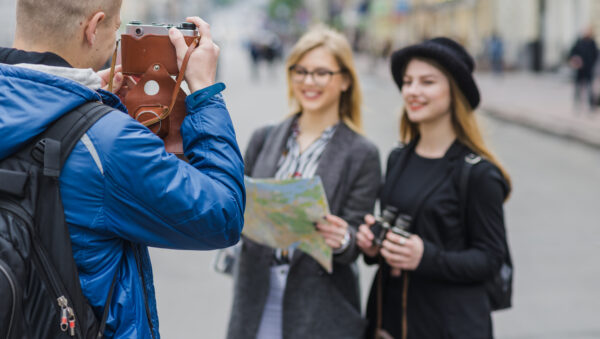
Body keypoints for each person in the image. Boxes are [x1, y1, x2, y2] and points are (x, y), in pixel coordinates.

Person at [0, 0, 245, 337]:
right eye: (116, 28)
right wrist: (205, 93)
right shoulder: (108, 140)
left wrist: (84, 100)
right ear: (93, 27)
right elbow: (222, 214)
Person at [227, 26, 381, 339]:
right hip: (257, 295)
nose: (308, 81)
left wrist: (343, 239)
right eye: (301, 71)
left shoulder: (362, 153)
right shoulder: (265, 138)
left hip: (321, 305)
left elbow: (353, 237)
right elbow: (236, 205)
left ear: (345, 80)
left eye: (321, 73)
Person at [356, 37, 512, 339]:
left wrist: (426, 257)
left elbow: (491, 259)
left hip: (449, 325)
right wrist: (374, 245)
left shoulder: (478, 174)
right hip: (388, 319)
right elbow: (400, 230)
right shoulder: (399, 157)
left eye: (427, 82)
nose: (413, 91)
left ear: (455, 91)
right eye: (408, 82)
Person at [569, 27, 598, 110]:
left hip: (589, 69)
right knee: (578, 88)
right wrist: (575, 59)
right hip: (580, 69)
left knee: (589, 88)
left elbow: (595, 55)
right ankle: (577, 104)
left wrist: (592, 64)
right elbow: (572, 53)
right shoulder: (579, 42)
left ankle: (591, 106)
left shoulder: (592, 43)